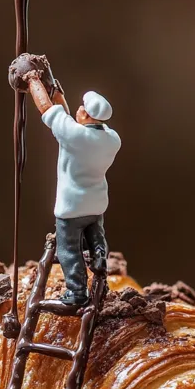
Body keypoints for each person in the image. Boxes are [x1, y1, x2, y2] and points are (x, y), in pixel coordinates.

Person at [26, 69, 121, 308]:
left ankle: (76, 292)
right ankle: (100, 256)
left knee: (69, 251)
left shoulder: (75, 136)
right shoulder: (112, 139)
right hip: (96, 202)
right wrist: (56, 90)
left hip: (71, 207)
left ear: (87, 115)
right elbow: (66, 118)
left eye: (81, 108)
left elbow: (48, 111)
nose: (77, 109)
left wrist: (32, 80)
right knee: (95, 233)